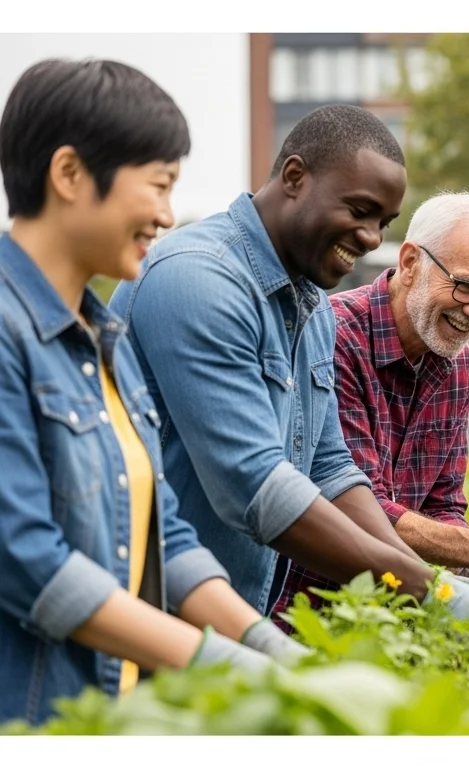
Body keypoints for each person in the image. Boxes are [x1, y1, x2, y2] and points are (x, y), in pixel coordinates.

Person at [109, 105, 469, 649]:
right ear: (294, 178)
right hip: (146, 620)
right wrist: (431, 591)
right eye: (360, 210)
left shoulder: (311, 308)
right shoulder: (199, 278)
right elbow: (254, 483)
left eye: (383, 221)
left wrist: (435, 587)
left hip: (230, 613)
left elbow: (330, 469)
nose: (371, 237)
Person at [0, 59, 310, 725]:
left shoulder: (108, 338)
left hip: (114, 714)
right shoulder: (7, 335)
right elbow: (24, 556)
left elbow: (158, 531)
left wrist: (260, 643)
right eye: (160, 185)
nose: (169, 215)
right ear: (70, 174)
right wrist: (208, 658)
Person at [270, 191, 469, 628]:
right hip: (303, 614)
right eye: (466, 286)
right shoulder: (331, 337)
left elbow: (443, 502)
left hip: (395, 615)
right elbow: (355, 506)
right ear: (410, 263)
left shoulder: (455, 360)